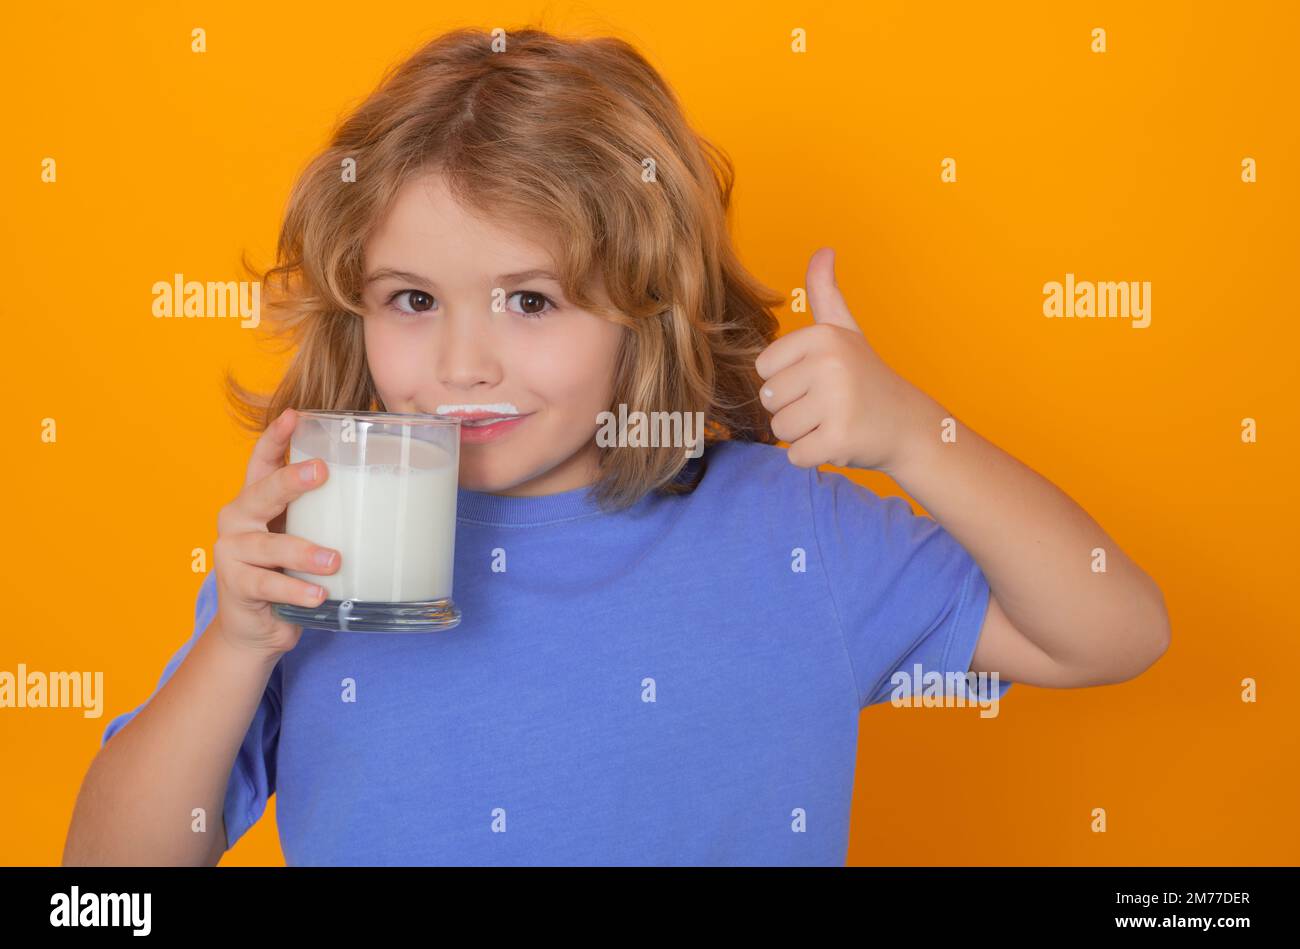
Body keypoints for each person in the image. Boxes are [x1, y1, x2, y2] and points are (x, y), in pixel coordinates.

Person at [63, 27, 1169, 866]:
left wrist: (913, 436)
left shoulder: (791, 529)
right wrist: (236, 647)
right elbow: (107, 883)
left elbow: (1111, 630)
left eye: (530, 302)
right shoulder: (317, 545)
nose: (460, 365)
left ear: (650, 310)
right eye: (410, 298)